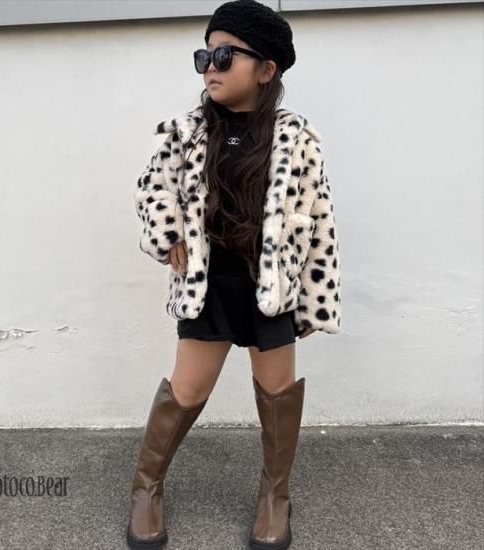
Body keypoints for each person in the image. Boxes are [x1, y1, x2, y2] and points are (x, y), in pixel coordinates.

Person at [128, 0, 342, 548]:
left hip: (272, 286)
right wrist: (168, 229)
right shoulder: (186, 131)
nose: (211, 67)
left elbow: (319, 219)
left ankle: (276, 496)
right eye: (204, 56)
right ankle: (146, 486)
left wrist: (314, 302)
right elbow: (152, 188)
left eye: (225, 55)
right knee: (187, 389)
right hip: (208, 286)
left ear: (266, 69)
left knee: (277, 390)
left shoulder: (296, 138)